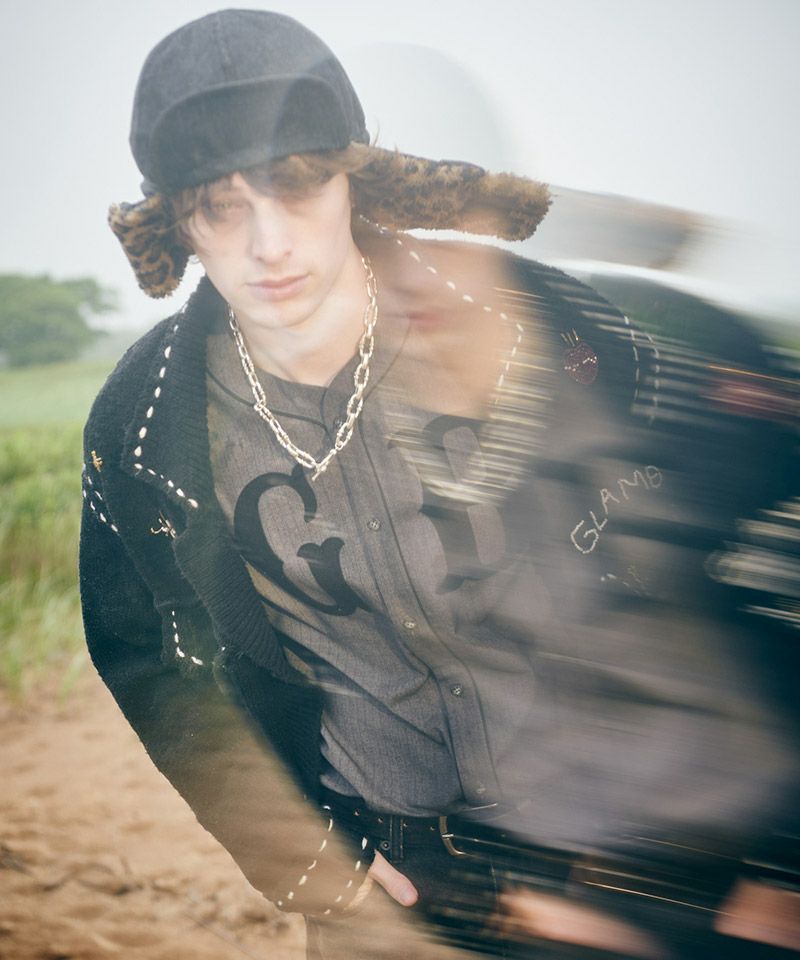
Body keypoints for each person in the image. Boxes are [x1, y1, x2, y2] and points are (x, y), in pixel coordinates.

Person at [81, 9, 800, 959]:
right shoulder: (144, 422)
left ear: (354, 177)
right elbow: (152, 663)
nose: (270, 243)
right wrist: (306, 865)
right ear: (176, 221)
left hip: (624, 872)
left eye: (298, 185)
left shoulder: (529, 318)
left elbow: (739, 544)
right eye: (221, 205)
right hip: (395, 901)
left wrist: (769, 860)